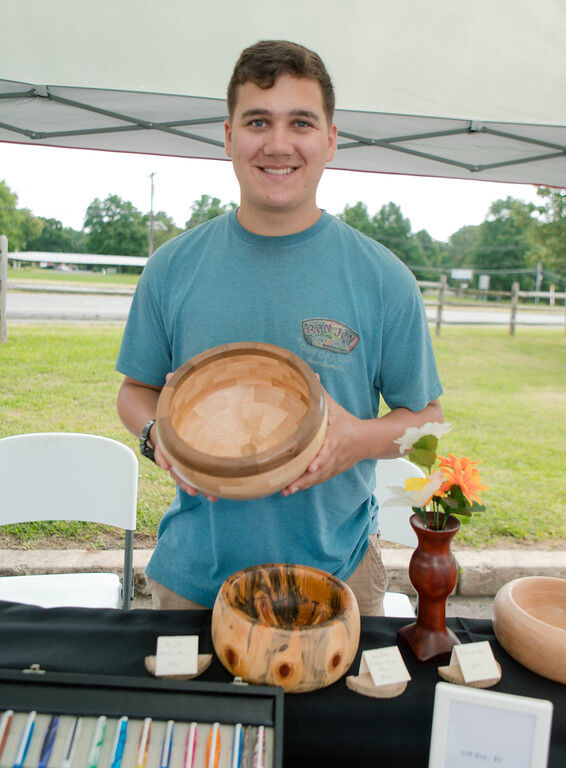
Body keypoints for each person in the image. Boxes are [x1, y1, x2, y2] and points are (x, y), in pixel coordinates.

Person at [116, 40, 443, 615]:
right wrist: (154, 436)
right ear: (228, 135)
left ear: (331, 139)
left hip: (338, 580)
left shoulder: (384, 278)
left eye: (301, 122)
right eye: (258, 122)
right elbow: (135, 392)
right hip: (193, 582)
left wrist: (354, 441)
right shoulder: (172, 266)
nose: (278, 144)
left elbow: (428, 424)